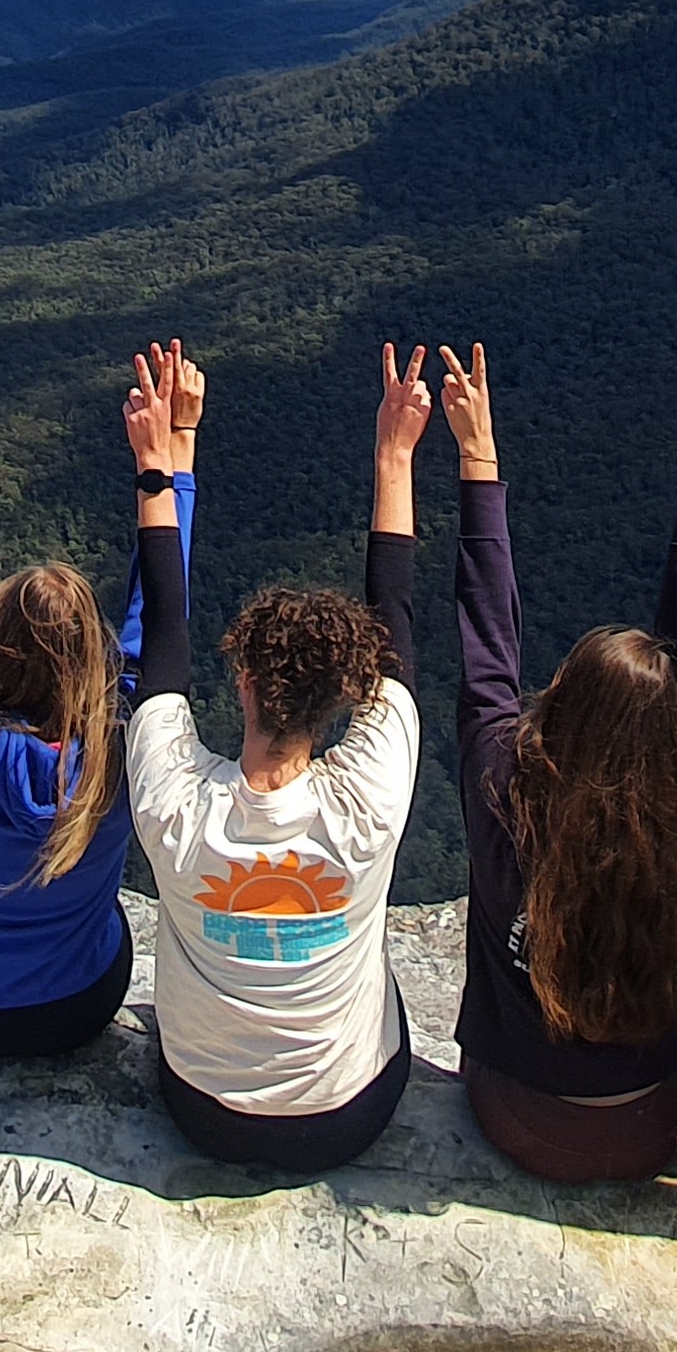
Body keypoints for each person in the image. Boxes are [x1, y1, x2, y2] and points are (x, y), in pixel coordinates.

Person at [126, 344, 431, 1172]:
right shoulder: (368, 801)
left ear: (244, 680)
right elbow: (394, 620)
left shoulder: (175, 806)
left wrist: (162, 462)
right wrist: (395, 453)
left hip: (206, 1112)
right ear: (345, 693)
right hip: (350, 1112)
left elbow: (164, 636)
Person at [443, 347, 677, 1182]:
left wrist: (478, 455)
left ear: (560, 707)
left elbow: (487, 645)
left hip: (519, 1116)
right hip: (658, 1120)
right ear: (666, 732)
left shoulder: (503, 788)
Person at [0, 332, 179, 1060]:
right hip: (77, 1008)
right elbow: (160, 612)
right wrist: (172, 454)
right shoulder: (122, 744)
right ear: (94, 659)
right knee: (109, 917)